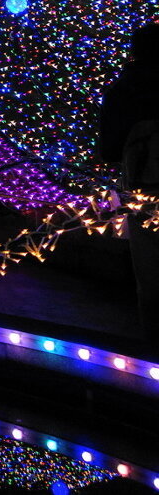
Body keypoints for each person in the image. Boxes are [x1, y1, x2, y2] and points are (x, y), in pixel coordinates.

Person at [100, 22, 159, 339]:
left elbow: (108, 148)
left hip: (142, 188)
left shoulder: (125, 90)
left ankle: (152, 340)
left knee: (150, 270)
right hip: (143, 184)